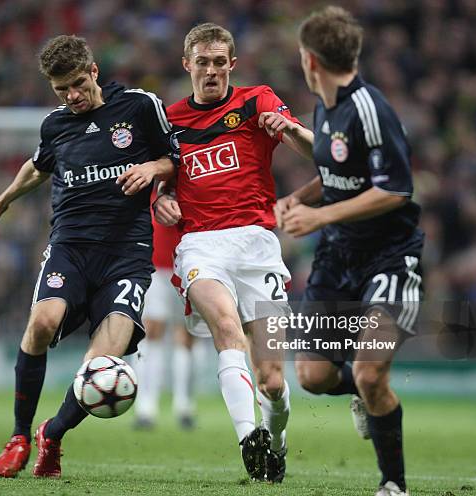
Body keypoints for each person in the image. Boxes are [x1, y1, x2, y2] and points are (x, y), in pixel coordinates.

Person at [0, 34, 178, 479]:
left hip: (128, 254)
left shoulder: (140, 107)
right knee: (42, 323)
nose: (73, 96)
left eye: (79, 85)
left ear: (94, 73)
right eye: (61, 89)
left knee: (102, 364)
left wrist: (152, 169)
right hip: (70, 247)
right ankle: (19, 435)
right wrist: (2, 201)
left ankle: (54, 433)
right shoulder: (56, 124)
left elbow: (174, 159)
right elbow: (38, 166)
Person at [119, 22, 313, 483]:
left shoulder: (257, 100)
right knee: (226, 326)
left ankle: (275, 440)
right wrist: (159, 199)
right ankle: (249, 438)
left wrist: (288, 127)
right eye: (202, 63)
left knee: (273, 382)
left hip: (258, 245)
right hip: (201, 244)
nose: (211, 71)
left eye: (219, 62)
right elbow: (158, 178)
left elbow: (317, 152)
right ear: (187, 65)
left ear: (232, 64)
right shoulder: (169, 121)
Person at [266, 7, 423, 496]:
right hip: (338, 260)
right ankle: (360, 391)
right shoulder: (324, 106)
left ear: (309, 59)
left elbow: (395, 190)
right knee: (313, 377)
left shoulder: (370, 109)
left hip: (389, 257)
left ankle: (392, 484)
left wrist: (319, 217)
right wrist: (300, 198)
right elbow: (337, 176)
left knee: (370, 370)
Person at [134, 199, 196, 430]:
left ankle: (184, 406)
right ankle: (146, 407)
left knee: (185, 335)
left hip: (187, 263)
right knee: (153, 332)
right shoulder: (156, 174)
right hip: (156, 264)